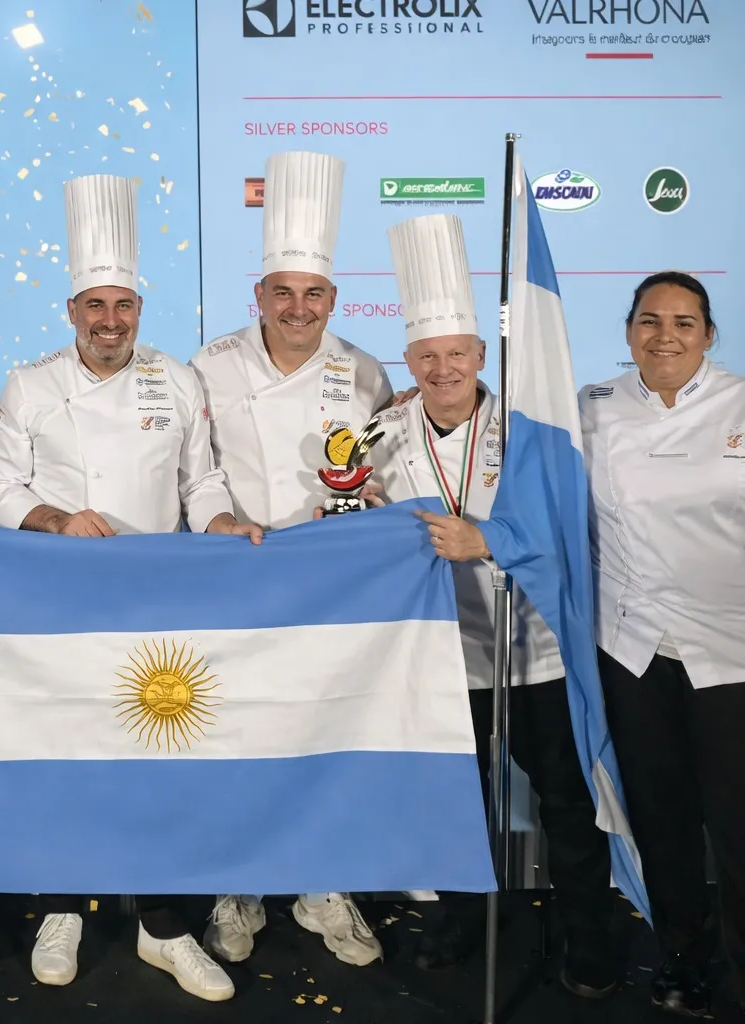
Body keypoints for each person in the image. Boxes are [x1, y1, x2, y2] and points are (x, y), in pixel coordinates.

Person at [0, 173, 261, 1003]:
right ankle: (62, 909)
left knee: (157, 760)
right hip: (60, 601)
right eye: (95, 306)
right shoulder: (31, 383)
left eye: (124, 307)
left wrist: (222, 523)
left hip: (153, 600)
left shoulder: (176, 379)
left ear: (140, 309)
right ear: (71, 309)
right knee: (67, 754)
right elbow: (0, 489)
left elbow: (200, 482)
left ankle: (163, 926)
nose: (110, 321)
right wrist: (56, 518)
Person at [354, 213, 617, 999]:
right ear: (409, 361)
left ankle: (587, 932)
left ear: (480, 355)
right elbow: (358, 531)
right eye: (427, 356)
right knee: (451, 801)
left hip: (532, 647)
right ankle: (461, 917)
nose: (443, 369)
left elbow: (566, 529)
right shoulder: (377, 436)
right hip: (439, 657)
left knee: (565, 799)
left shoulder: (531, 430)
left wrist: (489, 540)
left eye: (457, 354)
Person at [190, 150, 393, 970]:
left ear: (332, 300)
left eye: (313, 294)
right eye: (283, 292)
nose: (297, 308)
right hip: (237, 576)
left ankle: (322, 883)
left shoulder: (366, 372)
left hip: (327, 587)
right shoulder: (211, 364)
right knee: (239, 733)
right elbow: (196, 467)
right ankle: (238, 885)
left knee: (325, 731)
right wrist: (219, 518)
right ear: (260, 295)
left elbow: (381, 476)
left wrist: (367, 513)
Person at [580, 271, 745, 1018]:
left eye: (684, 323)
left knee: (737, 824)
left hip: (730, 650)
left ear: (709, 335)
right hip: (636, 649)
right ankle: (685, 957)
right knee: (663, 816)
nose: (665, 336)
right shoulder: (592, 407)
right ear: (628, 331)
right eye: (650, 320)